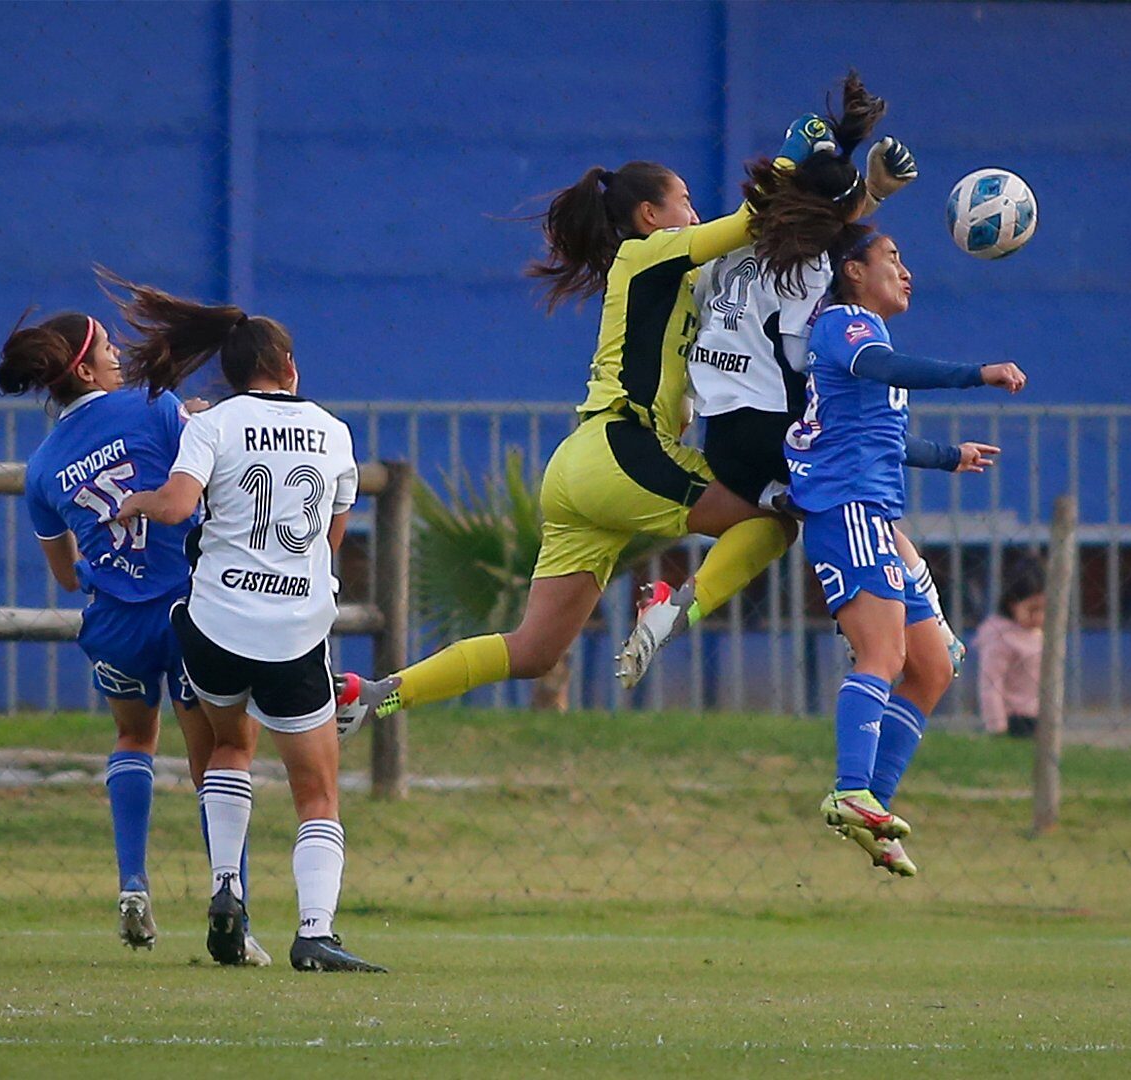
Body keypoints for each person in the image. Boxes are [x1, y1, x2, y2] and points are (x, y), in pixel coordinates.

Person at [343, 116, 842, 721]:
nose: (694, 210)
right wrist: (793, 149)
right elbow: (747, 224)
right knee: (774, 515)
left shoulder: (673, 275)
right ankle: (673, 610)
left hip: (585, 465)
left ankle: (376, 695)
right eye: (683, 200)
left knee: (533, 650)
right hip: (621, 448)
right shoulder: (651, 251)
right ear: (650, 216)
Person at [623, 72, 991, 689]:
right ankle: (917, 633)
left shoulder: (721, 249)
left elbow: (815, 210)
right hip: (773, 423)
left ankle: (671, 606)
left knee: (783, 522)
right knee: (858, 494)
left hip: (725, 440)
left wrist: (851, 164)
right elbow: (803, 350)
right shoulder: (811, 270)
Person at [105, 274, 384, 974]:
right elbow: (332, 539)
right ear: (290, 369)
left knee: (230, 748)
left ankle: (227, 887)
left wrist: (133, 501)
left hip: (217, 626)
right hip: (294, 630)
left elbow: (175, 505)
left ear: (230, 376)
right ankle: (315, 931)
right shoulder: (333, 431)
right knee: (316, 789)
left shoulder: (212, 424)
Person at [0, 309, 268, 964]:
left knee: (132, 737)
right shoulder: (155, 407)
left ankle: (132, 885)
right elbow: (198, 477)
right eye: (110, 347)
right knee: (219, 756)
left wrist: (102, 565)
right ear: (86, 367)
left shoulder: (41, 467)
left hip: (116, 622)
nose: (122, 354)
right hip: (187, 610)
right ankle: (230, 904)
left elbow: (65, 576)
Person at [784, 231, 1026, 876]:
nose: (906, 272)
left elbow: (881, 435)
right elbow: (886, 372)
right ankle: (849, 789)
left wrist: (951, 456)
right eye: (894, 258)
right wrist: (976, 374)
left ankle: (874, 808)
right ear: (854, 271)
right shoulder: (844, 324)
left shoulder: (868, 335)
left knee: (933, 667)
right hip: (849, 511)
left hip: (876, 515)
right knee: (883, 654)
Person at [974, 561, 1047, 738]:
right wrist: (997, 727)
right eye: (1032, 609)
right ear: (1012, 604)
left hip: (1037, 714)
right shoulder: (1001, 637)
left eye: (1045, 609)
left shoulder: (1034, 634)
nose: (1039, 617)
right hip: (1013, 720)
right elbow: (991, 684)